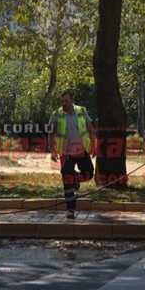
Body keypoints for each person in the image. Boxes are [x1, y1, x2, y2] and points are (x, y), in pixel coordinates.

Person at [47, 90, 96, 219]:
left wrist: (93, 145)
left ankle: (75, 180)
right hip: (66, 153)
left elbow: (90, 129)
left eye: (66, 101)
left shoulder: (81, 111)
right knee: (67, 180)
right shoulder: (56, 114)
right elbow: (51, 133)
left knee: (89, 173)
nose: (63, 104)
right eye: (62, 101)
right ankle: (70, 210)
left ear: (72, 101)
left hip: (82, 150)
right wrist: (52, 150)